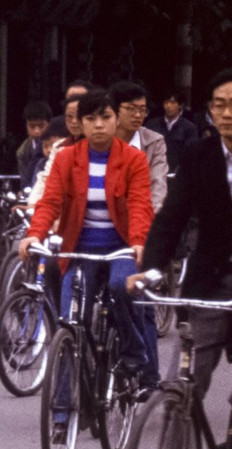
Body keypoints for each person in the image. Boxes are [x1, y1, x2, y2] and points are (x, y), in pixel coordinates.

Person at [18, 90, 158, 413]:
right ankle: (62, 409)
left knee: (119, 287)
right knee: (69, 325)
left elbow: (140, 204)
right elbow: (50, 201)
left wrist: (139, 241)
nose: (98, 126)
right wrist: (33, 234)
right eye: (90, 119)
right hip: (78, 250)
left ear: (115, 120)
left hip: (120, 248)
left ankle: (135, 351)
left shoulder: (133, 159)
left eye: (105, 118)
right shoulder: (67, 158)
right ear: (79, 123)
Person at [134, 69, 232, 401]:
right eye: (220, 105)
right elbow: (171, 218)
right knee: (181, 387)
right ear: (210, 110)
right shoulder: (197, 156)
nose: (227, 113)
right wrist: (152, 268)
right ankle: (175, 448)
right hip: (209, 285)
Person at [112, 81, 169, 213]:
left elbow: (158, 184)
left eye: (142, 110)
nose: (138, 115)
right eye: (131, 109)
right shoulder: (102, 140)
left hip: (142, 215)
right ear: (115, 110)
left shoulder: (155, 142)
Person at [16, 102, 53, 191]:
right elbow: (24, 180)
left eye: (41, 126)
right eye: (32, 126)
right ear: (26, 125)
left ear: (49, 124)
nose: (36, 131)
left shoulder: (57, 144)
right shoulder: (22, 151)